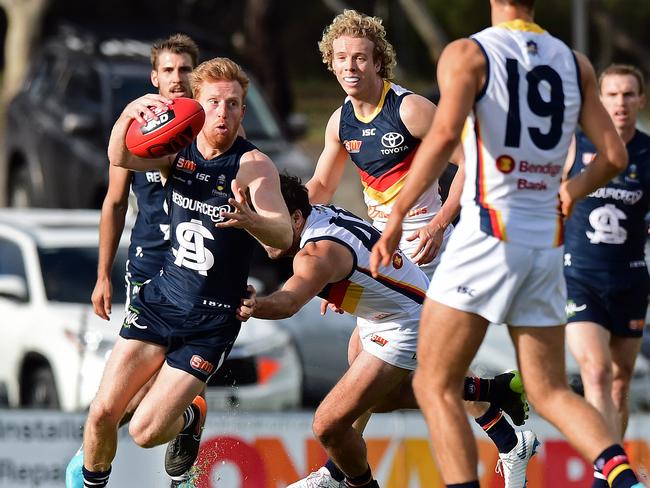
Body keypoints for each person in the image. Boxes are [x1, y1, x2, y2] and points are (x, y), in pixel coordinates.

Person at [370, 0, 645, 487]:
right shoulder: (573, 60)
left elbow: (440, 140)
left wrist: (395, 216)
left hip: (489, 235)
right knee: (550, 389)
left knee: (434, 382)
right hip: (545, 246)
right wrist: (571, 191)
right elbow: (614, 154)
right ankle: (626, 481)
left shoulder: (468, 53)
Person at [305, 9, 533, 488]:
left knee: (391, 362)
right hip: (384, 248)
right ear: (330, 62)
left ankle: (337, 472)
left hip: (432, 245)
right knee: (374, 364)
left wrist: (440, 225)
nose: (351, 67)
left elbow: (471, 165)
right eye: (342, 58)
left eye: (361, 58)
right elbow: (321, 187)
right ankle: (507, 430)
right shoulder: (339, 121)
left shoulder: (408, 109)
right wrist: (315, 256)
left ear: (378, 62)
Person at [79, 57, 292, 488]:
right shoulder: (175, 150)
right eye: (214, 102)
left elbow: (284, 235)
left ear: (243, 111)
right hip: (161, 300)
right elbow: (120, 155)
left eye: (234, 104)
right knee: (102, 412)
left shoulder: (254, 166)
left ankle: (190, 416)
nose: (223, 112)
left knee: (144, 432)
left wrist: (251, 219)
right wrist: (128, 114)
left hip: (211, 321)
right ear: (196, 103)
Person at [239, 174, 528, 488]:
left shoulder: (315, 255)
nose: (261, 233)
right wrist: (340, 292)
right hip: (393, 309)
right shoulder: (316, 214)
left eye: (266, 222)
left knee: (328, 425)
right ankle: (494, 390)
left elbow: (289, 303)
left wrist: (253, 305)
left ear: (295, 218)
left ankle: (341, 480)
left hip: (406, 324)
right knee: (379, 400)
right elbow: (360, 257)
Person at [65, 33, 200, 488]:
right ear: (154, 77)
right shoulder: (139, 126)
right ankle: (177, 420)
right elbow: (114, 204)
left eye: (185, 70)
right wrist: (102, 274)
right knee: (135, 388)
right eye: (169, 70)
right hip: (147, 266)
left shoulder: (215, 124)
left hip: (197, 269)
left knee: (151, 391)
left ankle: (175, 419)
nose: (177, 79)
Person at [563, 64, 650, 488]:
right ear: (599, 101)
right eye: (611, 95)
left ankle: (609, 474)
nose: (619, 103)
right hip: (579, 276)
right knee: (594, 373)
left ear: (640, 100)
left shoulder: (648, 153)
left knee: (619, 384)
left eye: (627, 94)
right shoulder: (575, 144)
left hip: (631, 279)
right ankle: (613, 480)